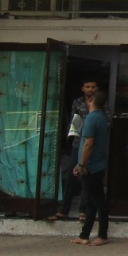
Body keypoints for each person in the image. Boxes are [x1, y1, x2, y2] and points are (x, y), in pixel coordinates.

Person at [49, 78, 102, 222]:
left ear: (96, 89)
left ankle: (83, 210)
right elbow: (73, 121)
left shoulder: (100, 104)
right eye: (88, 87)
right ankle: (64, 209)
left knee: (86, 177)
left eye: (93, 86)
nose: (90, 89)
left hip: (92, 146)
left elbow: (106, 122)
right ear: (83, 89)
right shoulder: (77, 102)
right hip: (77, 143)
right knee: (72, 177)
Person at [71, 89, 110, 247]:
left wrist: (82, 164)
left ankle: (102, 234)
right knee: (91, 202)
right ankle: (85, 234)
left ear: (90, 101)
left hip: (91, 167)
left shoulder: (92, 118)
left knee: (98, 202)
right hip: (94, 165)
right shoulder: (101, 117)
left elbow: (88, 144)